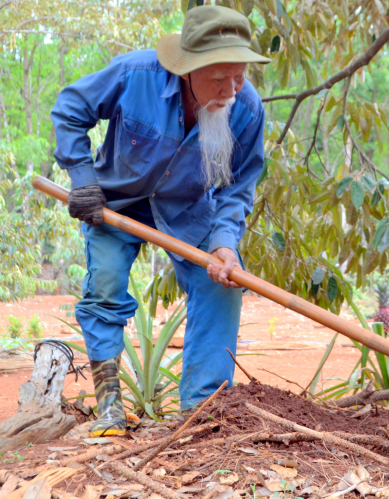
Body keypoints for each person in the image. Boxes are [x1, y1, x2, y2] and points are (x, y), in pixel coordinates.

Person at [51, 5, 270, 436]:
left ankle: (203, 411)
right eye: (219, 77)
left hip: (188, 207)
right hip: (116, 201)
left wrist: (224, 242)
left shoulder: (246, 109)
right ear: (188, 69)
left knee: (221, 282)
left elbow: (239, 185)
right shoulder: (136, 76)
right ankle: (110, 407)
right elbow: (70, 107)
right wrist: (82, 180)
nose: (231, 89)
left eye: (239, 75)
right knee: (106, 285)